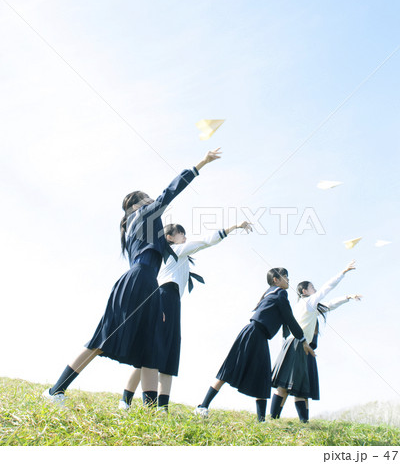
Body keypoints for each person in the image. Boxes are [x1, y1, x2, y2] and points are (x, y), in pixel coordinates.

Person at [42, 148, 221, 407]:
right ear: (136, 205)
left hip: (149, 283)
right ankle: (55, 390)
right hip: (138, 280)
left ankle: (148, 413)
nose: (151, 200)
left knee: (149, 348)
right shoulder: (142, 215)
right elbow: (169, 193)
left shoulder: (142, 225)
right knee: (102, 339)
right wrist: (201, 163)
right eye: (146, 198)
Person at [118, 220, 253, 411]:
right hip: (165, 299)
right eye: (182, 234)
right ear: (169, 238)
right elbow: (205, 241)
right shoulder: (175, 250)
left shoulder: (173, 256)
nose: (186, 238)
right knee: (152, 353)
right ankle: (127, 400)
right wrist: (235, 226)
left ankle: (159, 407)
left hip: (172, 301)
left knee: (167, 353)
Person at [194, 268, 315, 422]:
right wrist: (303, 340)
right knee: (230, 369)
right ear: (276, 280)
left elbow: (286, 323)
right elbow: (290, 319)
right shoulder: (280, 293)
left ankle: (261, 420)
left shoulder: (271, 293)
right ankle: (202, 406)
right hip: (254, 333)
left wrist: (292, 339)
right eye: (285, 276)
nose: (288, 279)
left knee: (260, 375)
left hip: (257, 335)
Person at [270, 260, 362, 422]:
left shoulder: (307, 306)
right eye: (313, 287)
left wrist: (347, 297)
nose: (316, 290)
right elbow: (328, 287)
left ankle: (285, 420)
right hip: (297, 345)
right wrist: (343, 272)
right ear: (305, 291)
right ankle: (277, 419)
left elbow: (330, 305)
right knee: (289, 386)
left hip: (294, 345)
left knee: (296, 387)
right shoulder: (309, 302)